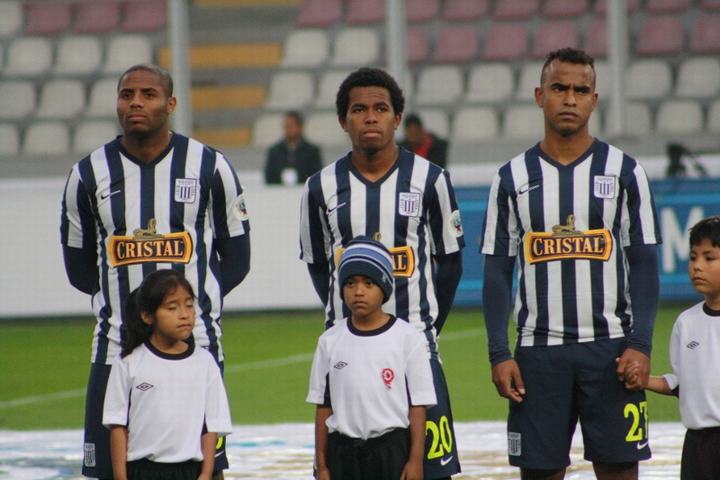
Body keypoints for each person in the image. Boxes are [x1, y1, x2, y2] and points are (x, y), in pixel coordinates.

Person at [60, 63, 250, 479]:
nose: (136, 103)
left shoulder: (209, 166)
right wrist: (130, 310)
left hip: (196, 347)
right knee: (110, 470)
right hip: (116, 349)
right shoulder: (88, 174)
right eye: (127, 94)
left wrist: (188, 309)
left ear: (170, 103)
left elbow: (237, 260)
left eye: (148, 94)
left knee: (203, 468)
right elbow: (79, 268)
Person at [479, 47, 661, 480]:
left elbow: (644, 263)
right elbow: (497, 271)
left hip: (611, 350)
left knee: (619, 469)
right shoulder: (511, 177)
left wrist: (641, 344)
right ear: (540, 95)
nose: (570, 98)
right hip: (538, 354)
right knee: (539, 473)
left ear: (594, 101)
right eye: (560, 88)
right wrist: (499, 352)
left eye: (581, 90)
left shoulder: (624, 171)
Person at [299, 67, 464, 479]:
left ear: (397, 118)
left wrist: (426, 328)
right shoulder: (320, 187)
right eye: (358, 110)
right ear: (343, 121)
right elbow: (319, 267)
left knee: (430, 471)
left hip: (417, 348)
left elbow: (450, 263)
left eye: (380, 108)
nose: (370, 117)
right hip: (348, 355)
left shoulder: (431, 179)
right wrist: (347, 315)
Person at [307, 237, 436, 480]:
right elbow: (323, 406)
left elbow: (418, 405)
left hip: (391, 451)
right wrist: (321, 465)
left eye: (368, 283)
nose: (358, 292)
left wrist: (415, 460)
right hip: (342, 453)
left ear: (384, 286)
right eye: (350, 283)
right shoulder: (330, 341)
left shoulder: (407, 338)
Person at [103, 269, 232, 480]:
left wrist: (206, 473)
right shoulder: (128, 362)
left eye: (189, 305)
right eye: (172, 307)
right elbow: (117, 425)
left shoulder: (205, 362)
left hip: (189, 471)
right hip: (142, 471)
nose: (184, 314)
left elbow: (211, 425)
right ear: (147, 316)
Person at [634, 216, 720, 480]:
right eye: (693, 257)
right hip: (697, 445)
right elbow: (682, 384)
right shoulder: (686, 322)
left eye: (709, 258)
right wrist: (642, 380)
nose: (697, 266)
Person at [264, 110, 323, 185]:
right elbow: (269, 177)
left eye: (290, 126)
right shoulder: (274, 151)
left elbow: (316, 177)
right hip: (279, 191)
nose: (287, 129)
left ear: (300, 127)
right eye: (286, 126)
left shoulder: (312, 151)